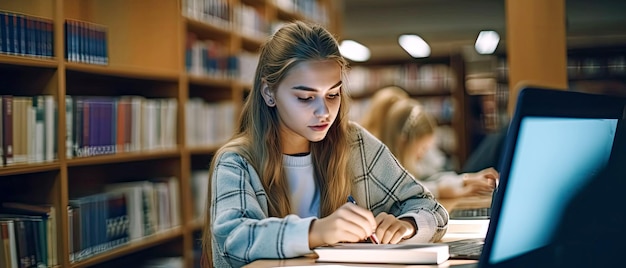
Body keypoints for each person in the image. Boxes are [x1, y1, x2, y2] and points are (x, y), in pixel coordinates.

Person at [202, 21, 448, 267]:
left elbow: (431, 208)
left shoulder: (355, 143)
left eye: (333, 95)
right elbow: (234, 240)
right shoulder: (237, 161)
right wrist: (317, 232)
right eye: (306, 98)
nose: (324, 112)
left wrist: (407, 225)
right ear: (269, 93)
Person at [380, 98, 499, 198]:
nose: (422, 154)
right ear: (403, 141)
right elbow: (404, 191)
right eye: (422, 149)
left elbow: (431, 179)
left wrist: (465, 179)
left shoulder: (412, 162)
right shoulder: (383, 170)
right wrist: (441, 191)